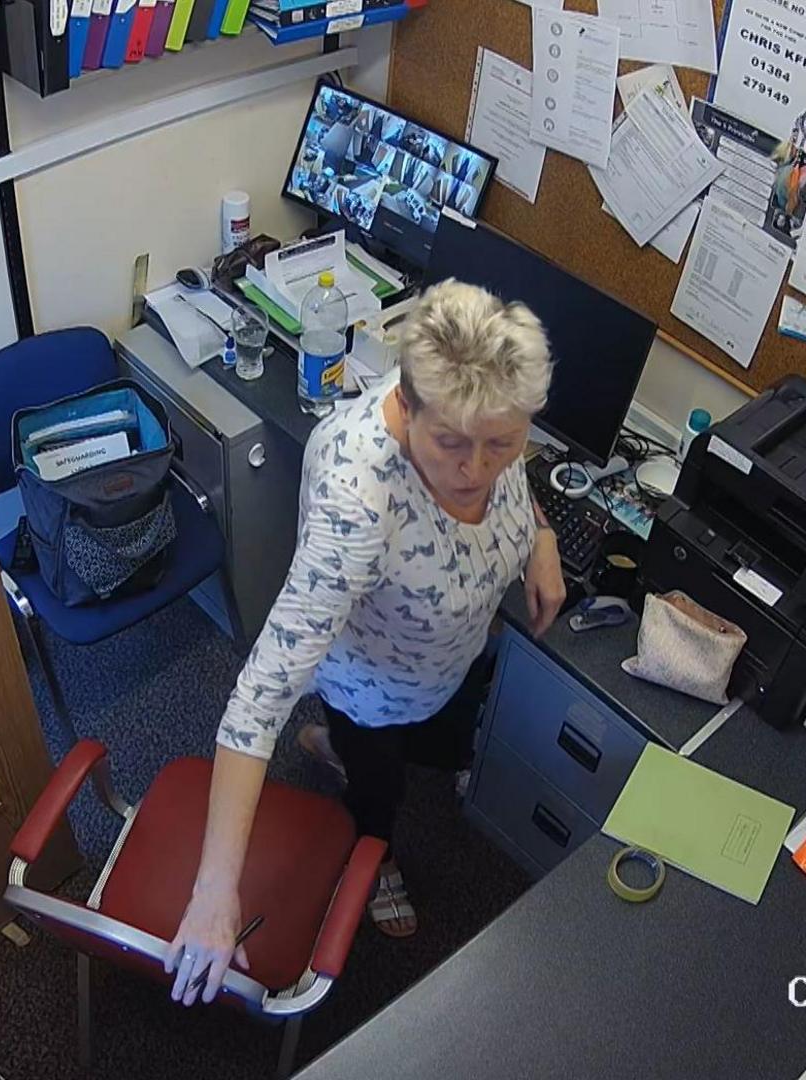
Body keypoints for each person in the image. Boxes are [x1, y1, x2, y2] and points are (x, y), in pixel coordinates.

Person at [163, 281, 567, 1004]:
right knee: (380, 786)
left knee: (447, 745)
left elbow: (506, 467)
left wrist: (541, 537)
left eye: (502, 445)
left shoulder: (477, 410)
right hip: (374, 687)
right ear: (407, 405)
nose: (478, 471)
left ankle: (338, 748)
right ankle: (371, 845)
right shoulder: (359, 503)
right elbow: (258, 701)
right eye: (451, 445)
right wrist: (215, 891)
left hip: (451, 656)